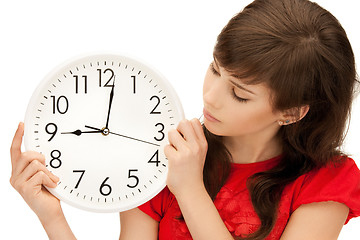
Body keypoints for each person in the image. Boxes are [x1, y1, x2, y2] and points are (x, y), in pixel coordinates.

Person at [10, 0, 360, 239]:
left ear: (292, 112)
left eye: (239, 93)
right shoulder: (156, 158)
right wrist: (51, 216)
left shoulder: (326, 182)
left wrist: (190, 189)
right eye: (214, 69)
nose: (210, 96)